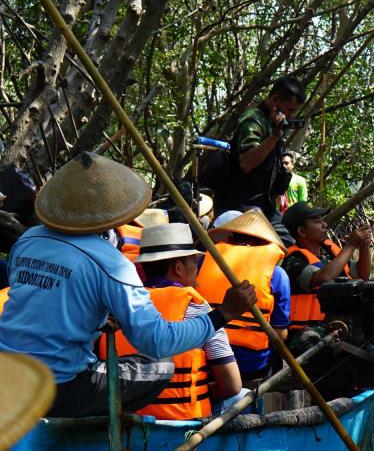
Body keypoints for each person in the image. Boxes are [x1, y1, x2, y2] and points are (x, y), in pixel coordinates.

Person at [0, 153, 255, 417]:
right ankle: (86, 430)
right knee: (162, 367)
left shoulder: (28, 239)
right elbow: (157, 341)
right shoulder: (110, 262)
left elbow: (43, 298)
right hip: (57, 388)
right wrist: (225, 313)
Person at [107, 223, 242, 419]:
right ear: (178, 268)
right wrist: (207, 392)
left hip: (125, 421)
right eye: (194, 262)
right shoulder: (196, 306)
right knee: (243, 395)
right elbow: (232, 385)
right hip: (185, 423)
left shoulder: (121, 305)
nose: (197, 269)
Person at [194, 209, 290, 380]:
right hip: (252, 364)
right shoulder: (278, 274)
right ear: (266, 243)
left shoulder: (201, 262)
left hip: (204, 360)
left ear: (230, 238)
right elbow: (280, 333)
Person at [213, 75, 305, 229]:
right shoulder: (253, 120)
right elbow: (246, 163)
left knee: (290, 246)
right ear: (275, 100)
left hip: (264, 208)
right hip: (239, 208)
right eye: (289, 109)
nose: (290, 116)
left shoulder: (273, 123)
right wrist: (275, 136)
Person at [281, 202, 373, 331]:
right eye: (317, 222)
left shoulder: (329, 251)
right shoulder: (294, 260)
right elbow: (324, 278)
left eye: (322, 220)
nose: (325, 225)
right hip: (308, 331)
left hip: (338, 323)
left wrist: (364, 246)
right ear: (302, 231)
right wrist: (351, 246)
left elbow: (361, 275)